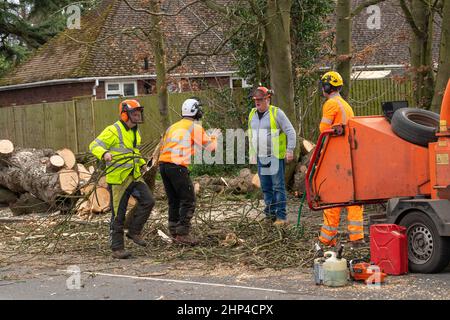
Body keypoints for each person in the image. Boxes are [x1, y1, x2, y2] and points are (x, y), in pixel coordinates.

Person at [89, 99, 155, 259]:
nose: (138, 115)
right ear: (125, 114)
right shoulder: (113, 130)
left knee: (149, 201)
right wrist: (104, 154)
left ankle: (134, 231)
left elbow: (133, 152)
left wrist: (142, 163)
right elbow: (93, 145)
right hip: (118, 179)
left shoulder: (135, 132)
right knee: (118, 214)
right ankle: (117, 248)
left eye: (139, 112)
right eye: (134, 112)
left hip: (133, 175)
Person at [159, 97, 219, 245]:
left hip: (163, 165)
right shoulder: (195, 127)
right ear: (194, 111)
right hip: (177, 166)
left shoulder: (172, 127)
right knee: (189, 200)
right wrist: (214, 137)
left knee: (174, 200)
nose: (201, 112)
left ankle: (173, 230)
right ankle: (182, 233)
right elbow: (211, 148)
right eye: (199, 109)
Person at [318, 71, 364, 247]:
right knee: (353, 196)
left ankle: (327, 239)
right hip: (349, 155)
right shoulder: (346, 105)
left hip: (335, 156)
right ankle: (357, 237)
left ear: (327, 87)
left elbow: (324, 129)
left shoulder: (331, 104)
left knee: (332, 197)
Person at [248, 86, 296, 226]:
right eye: (256, 100)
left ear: (267, 99)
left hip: (275, 156)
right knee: (266, 187)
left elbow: (290, 131)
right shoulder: (252, 114)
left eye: (260, 100)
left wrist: (290, 150)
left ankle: (281, 217)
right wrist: (252, 153)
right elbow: (251, 135)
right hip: (260, 156)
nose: (257, 102)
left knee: (278, 187)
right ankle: (270, 215)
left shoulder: (277, 113)